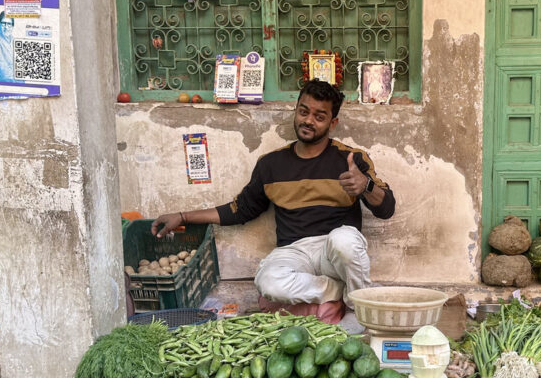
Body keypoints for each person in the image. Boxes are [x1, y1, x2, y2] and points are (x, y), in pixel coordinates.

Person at [152, 79, 395, 333]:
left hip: (332, 249)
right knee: (268, 281)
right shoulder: (271, 164)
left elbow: (387, 209)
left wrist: (366, 186)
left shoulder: (350, 159)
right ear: (296, 111)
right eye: (304, 111)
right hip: (293, 253)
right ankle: (346, 291)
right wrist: (183, 216)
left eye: (319, 116)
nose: (308, 121)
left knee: (345, 241)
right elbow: (240, 209)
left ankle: (358, 311)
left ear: (332, 123)